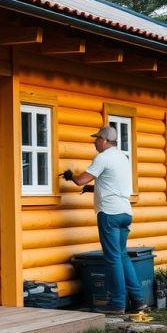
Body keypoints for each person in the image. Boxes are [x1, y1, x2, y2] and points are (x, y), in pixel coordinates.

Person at [62, 125, 148, 315]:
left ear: (104, 141)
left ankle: (117, 303)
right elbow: (112, 183)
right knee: (122, 256)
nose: (94, 142)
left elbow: (81, 180)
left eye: (96, 139)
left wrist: (70, 176)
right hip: (125, 212)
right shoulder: (122, 157)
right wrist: (94, 190)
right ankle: (138, 300)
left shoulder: (103, 157)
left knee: (113, 258)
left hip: (109, 213)